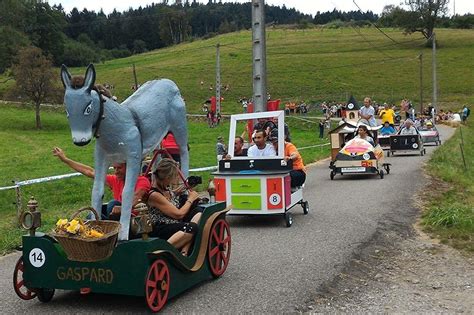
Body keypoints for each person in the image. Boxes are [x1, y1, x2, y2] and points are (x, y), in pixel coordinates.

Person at [52, 147, 151, 219]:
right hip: (116, 219)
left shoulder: (142, 181)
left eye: (119, 168)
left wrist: (122, 208)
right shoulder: (114, 180)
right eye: (114, 168)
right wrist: (65, 159)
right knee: (91, 216)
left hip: (134, 222)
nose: (116, 171)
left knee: (113, 204)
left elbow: (136, 197)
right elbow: (89, 171)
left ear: (129, 167)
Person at [146, 158, 201, 256]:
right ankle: (162, 252)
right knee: (191, 227)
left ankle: (185, 250)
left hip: (172, 224)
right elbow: (178, 214)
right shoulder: (154, 195)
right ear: (168, 178)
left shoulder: (164, 189)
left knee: (198, 212)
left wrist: (184, 188)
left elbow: (170, 195)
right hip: (161, 227)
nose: (177, 178)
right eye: (175, 176)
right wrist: (190, 199)